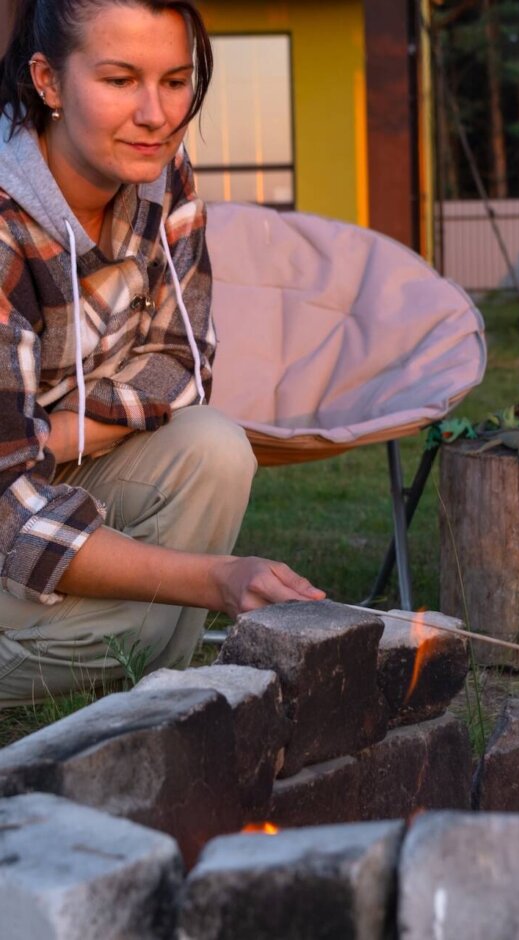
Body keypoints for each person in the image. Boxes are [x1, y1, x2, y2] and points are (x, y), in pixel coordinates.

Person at [0, 0, 325, 706]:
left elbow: (184, 362)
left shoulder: (160, 172)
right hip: (9, 503)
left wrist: (54, 438)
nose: (155, 114)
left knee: (213, 444)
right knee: (154, 617)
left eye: (174, 81)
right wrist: (214, 580)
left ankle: (136, 662)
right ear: (47, 82)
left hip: (54, 461)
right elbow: (7, 505)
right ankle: (143, 655)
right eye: (119, 80)